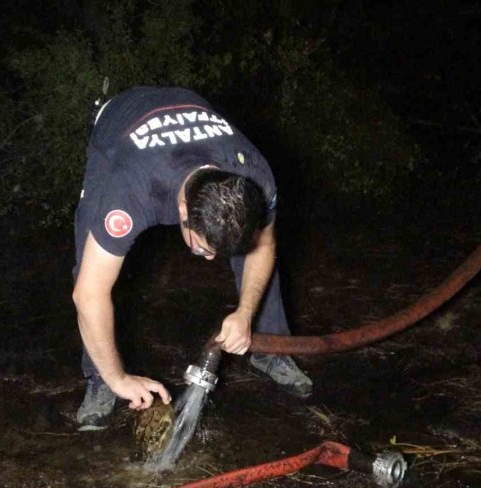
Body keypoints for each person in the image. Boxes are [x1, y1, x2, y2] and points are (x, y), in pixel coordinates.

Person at [72, 86, 313, 429]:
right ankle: (100, 377)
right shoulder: (130, 192)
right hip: (119, 127)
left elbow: (264, 246)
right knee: (90, 265)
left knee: (256, 250)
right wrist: (120, 377)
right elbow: (88, 295)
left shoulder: (255, 175)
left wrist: (245, 313)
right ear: (181, 209)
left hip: (190, 110)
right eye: (202, 247)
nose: (209, 259)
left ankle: (270, 347)